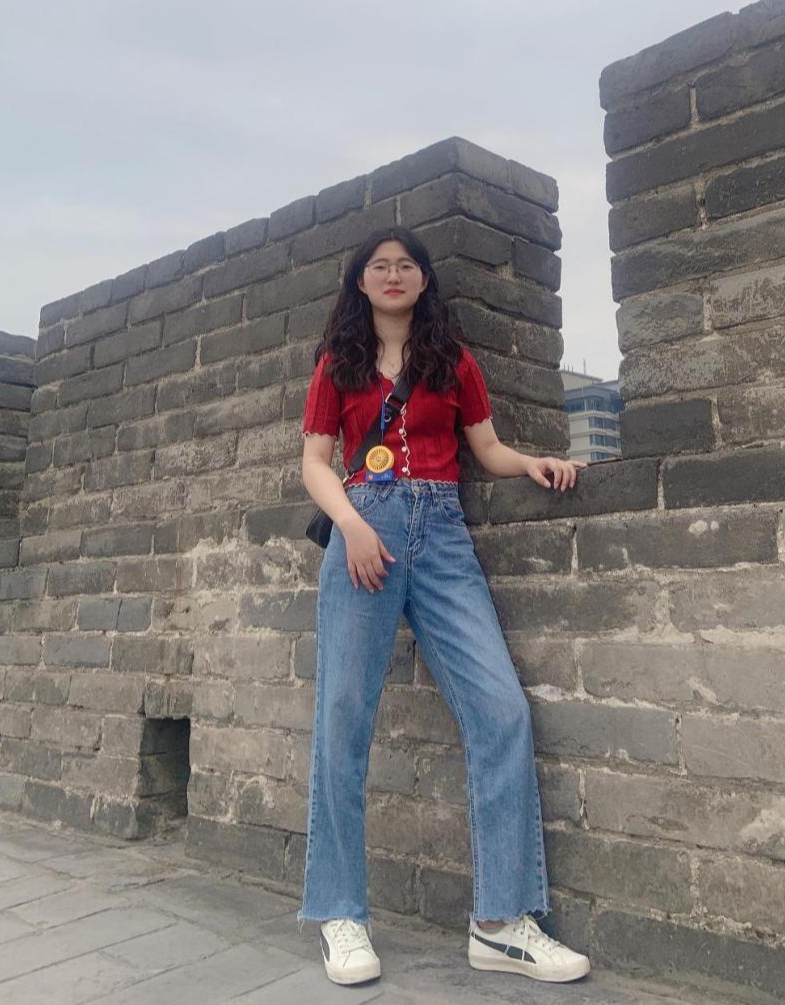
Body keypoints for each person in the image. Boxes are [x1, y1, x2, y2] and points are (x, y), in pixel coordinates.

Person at [298, 226, 590, 986]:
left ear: (424, 280)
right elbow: (315, 462)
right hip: (363, 532)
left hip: (443, 534)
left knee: (502, 710)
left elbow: (485, 448)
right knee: (342, 720)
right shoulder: (338, 362)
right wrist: (353, 526)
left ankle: (500, 922)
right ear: (360, 281)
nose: (393, 274)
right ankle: (340, 912)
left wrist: (535, 462)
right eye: (379, 265)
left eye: (406, 265)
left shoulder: (453, 361)